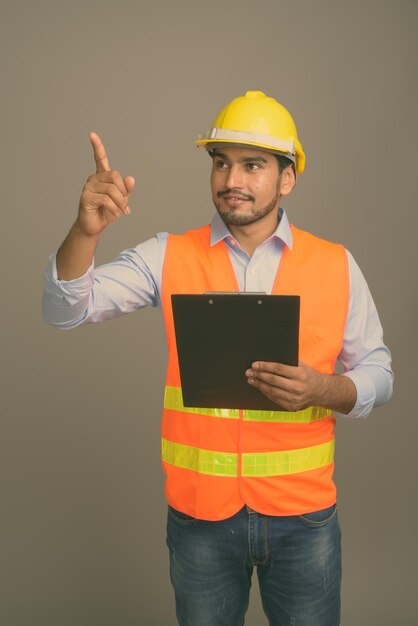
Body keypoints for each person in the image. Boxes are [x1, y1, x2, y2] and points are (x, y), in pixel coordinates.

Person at [43, 91, 393, 626]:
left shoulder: (335, 264)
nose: (232, 179)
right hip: (200, 519)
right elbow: (66, 308)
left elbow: (380, 374)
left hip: (304, 518)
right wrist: (85, 232)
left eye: (252, 165)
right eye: (222, 163)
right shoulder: (168, 254)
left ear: (287, 177)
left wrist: (323, 390)